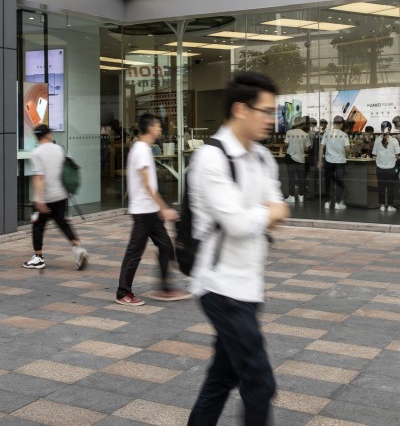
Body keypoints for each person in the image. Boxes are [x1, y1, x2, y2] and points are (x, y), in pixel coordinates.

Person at [187, 72, 290, 426]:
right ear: (240, 109)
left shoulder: (262, 157)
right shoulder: (211, 158)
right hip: (220, 286)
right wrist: (267, 212)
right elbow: (238, 223)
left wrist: (263, 212)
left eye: (273, 112)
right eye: (265, 111)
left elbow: (276, 206)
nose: (271, 120)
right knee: (260, 383)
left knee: (222, 377)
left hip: (249, 284)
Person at [115, 113, 190, 306]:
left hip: (149, 210)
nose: (160, 130)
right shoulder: (141, 150)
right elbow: (148, 185)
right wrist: (163, 208)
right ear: (150, 128)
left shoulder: (143, 149)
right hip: (143, 210)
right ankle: (123, 292)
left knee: (165, 247)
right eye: (158, 127)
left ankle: (166, 289)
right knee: (135, 251)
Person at [23, 124, 88, 271]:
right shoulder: (59, 149)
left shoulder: (36, 153)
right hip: (61, 195)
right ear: (48, 135)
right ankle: (78, 248)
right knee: (63, 223)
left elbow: (39, 178)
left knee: (38, 226)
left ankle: (38, 257)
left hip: (45, 197)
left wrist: (39, 199)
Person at [319, 115, 351, 209]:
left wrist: (320, 160)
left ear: (333, 123)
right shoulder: (344, 135)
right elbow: (347, 150)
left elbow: (321, 147)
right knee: (339, 183)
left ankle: (327, 202)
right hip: (340, 162)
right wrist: (351, 149)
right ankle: (338, 203)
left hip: (328, 161)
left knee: (328, 182)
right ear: (341, 124)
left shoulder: (326, 134)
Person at [373, 121, 400, 211]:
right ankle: (390, 206)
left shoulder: (377, 140)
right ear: (390, 129)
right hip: (391, 168)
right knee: (390, 187)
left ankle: (382, 206)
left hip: (380, 168)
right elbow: (397, 155)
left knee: (381, 187)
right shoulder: (394, 140)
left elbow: (374, 154)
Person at [282, 117, 310, 203]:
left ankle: (291, 197)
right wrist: (300, 148)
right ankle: (301, 197)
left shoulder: (289, 132)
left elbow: (285, 144)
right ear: (302, 124)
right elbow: (307, 149)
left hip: (291, 159)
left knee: (292, 179)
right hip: (301, 160)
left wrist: (291, 146)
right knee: (301, 179)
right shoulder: (306, 135)